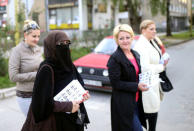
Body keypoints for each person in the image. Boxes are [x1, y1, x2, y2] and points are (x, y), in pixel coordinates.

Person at [31, 31, 90, 131]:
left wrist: (84, 93)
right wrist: (68, 106)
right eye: (61, 44)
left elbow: (79, 83)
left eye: (67, 43)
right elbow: (41, 103)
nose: (65, 46)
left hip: (77, 116)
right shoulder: (47, 68)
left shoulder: (69, 64)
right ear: (52, 46)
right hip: (57, 122)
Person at [107, 24, 148, 131]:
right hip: (123, 104)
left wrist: (146, 81)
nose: (125, 41)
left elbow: (137, 75)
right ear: (117, 40)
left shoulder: (135, 54)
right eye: (121, 38)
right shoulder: (115, 58)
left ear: (132, 38)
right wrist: (137, 86)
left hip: (137, 100)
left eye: (127, 37)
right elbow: (115, 83)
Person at [133, 19, 168, 131]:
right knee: (149, 120)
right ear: (143, 30)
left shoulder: (151, 41)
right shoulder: (141, 45)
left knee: (153, 118)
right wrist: (161, 67)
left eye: (155, 29)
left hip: (153, 84)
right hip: (147, 87)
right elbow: (144, 68)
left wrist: (163, 60)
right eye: (151, 29)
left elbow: (157, 57)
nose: (154, 31)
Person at [9, 20, 43, 116]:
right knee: (33, 125)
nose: (37, 39)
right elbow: (13, 77)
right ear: (25, 35)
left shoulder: (38, 49)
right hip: (26, 96)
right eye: (34, 36)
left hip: (39, 93)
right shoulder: (17, 51)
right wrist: (36, 75)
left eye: (38, 36)